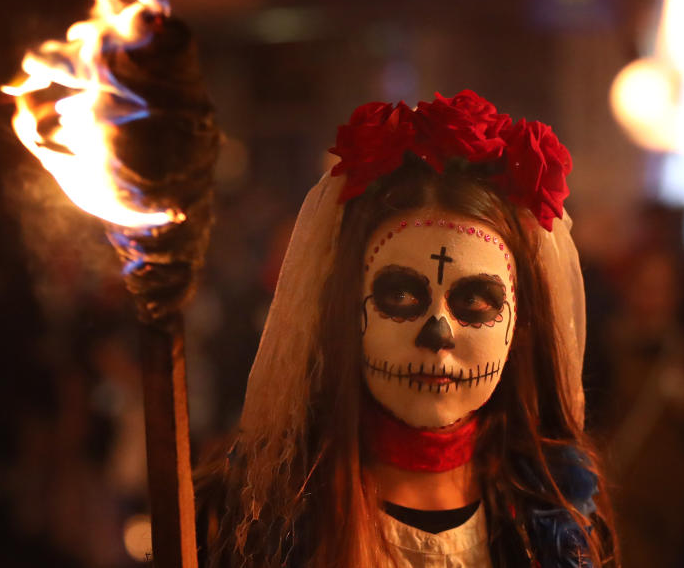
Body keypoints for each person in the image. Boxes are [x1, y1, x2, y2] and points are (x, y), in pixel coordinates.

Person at [196, 91, 617, 567]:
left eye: (475, 302)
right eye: (400, 296)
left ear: (520, 321)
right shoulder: (247, 519)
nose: (438, 334)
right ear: (347, 309)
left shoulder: (559, 519)